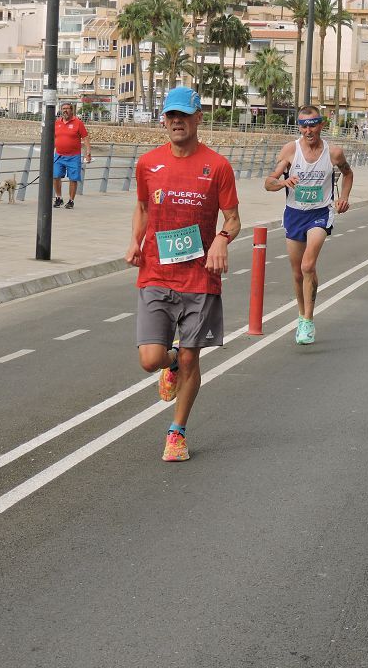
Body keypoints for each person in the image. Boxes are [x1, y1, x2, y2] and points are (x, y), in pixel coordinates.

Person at [125, 87, 241, 462]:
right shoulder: (148, 163)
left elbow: (233, 219)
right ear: (164, 120)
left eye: (183, 116)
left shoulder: (218, 166)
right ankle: (169, 362)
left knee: (193, 358)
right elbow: (143, 207)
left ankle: (177, 431)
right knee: (149, 358)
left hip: (200, 277)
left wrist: (222, 240)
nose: (176, 122)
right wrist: (135, 241)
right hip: (156, 272)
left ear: (197, 118)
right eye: (170, 116)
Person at [265, 105, 353, 345]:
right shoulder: (290, 150)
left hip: (320, 213)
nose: (307, 130)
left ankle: (308, 321)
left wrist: (343, 197)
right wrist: (284, 183)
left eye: (312, 124)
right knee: (297, 273)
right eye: (303, 125)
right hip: (294, 214)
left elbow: (348, 173)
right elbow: (269, 182)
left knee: (307, 264)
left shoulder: (333, 153)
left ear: (321, 124)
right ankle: (302, 315)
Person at [52, 102, 90, 209]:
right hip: (59, 156)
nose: (65, 110)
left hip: (74, 157)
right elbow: (53, 138)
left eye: (67, 108)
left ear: (71, 110)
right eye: (63, 108)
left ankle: (71, 200)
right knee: (55, 176)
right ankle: (59, 198)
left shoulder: (78, 123)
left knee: (73, 179)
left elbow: (85, 138)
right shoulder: (57, 123)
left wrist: (88, 153)